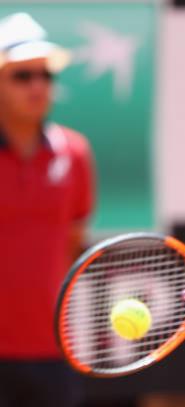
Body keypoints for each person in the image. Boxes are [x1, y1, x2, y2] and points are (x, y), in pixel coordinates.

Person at [0, 12, 95, 407]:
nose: (38, 86)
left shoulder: (75, 153)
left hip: (54, 353)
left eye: (46, 75)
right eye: (23, 76)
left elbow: (73, 241)